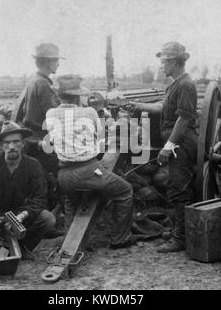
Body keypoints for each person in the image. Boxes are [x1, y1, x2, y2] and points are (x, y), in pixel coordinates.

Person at [44, 74, 148, 249]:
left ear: (58, 95)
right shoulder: (90, 112)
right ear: (78, 96)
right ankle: (120, 239)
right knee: (124, 191)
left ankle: (71, 247)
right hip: (87, 170)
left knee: (71, 202)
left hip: (63, 175)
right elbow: (99, 135)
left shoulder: (51, 113)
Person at [124, 42, 198, 252]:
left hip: (181, 142)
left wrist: (169, 146)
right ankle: (178, 232)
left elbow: (184, 119)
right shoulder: (176, 84)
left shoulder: (185, 85)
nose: (161, 66)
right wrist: (137, 106)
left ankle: (181, 239)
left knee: (179, 190)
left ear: (175, 62)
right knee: (175, 189)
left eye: (164, 62)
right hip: (177, 142)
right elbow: (162, 107)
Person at [0, 122, 62, 260]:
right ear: (1, 145)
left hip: (18, 213)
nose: (12, 147)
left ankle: (22, 248)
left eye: (16, 142)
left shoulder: (33, 165)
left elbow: (40, 199)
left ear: (23, 144)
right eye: (7, 143)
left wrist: (21, 216)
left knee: (48, 219)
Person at [21, 43, 64, 209]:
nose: (58, 64)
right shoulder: (44, 85)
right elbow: (53, 114)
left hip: (33, 137)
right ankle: (50, 218)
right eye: (56, 61)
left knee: (41, 179)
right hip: (42, 138)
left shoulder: (34, 81)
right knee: (51, 178)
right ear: (47, 62)